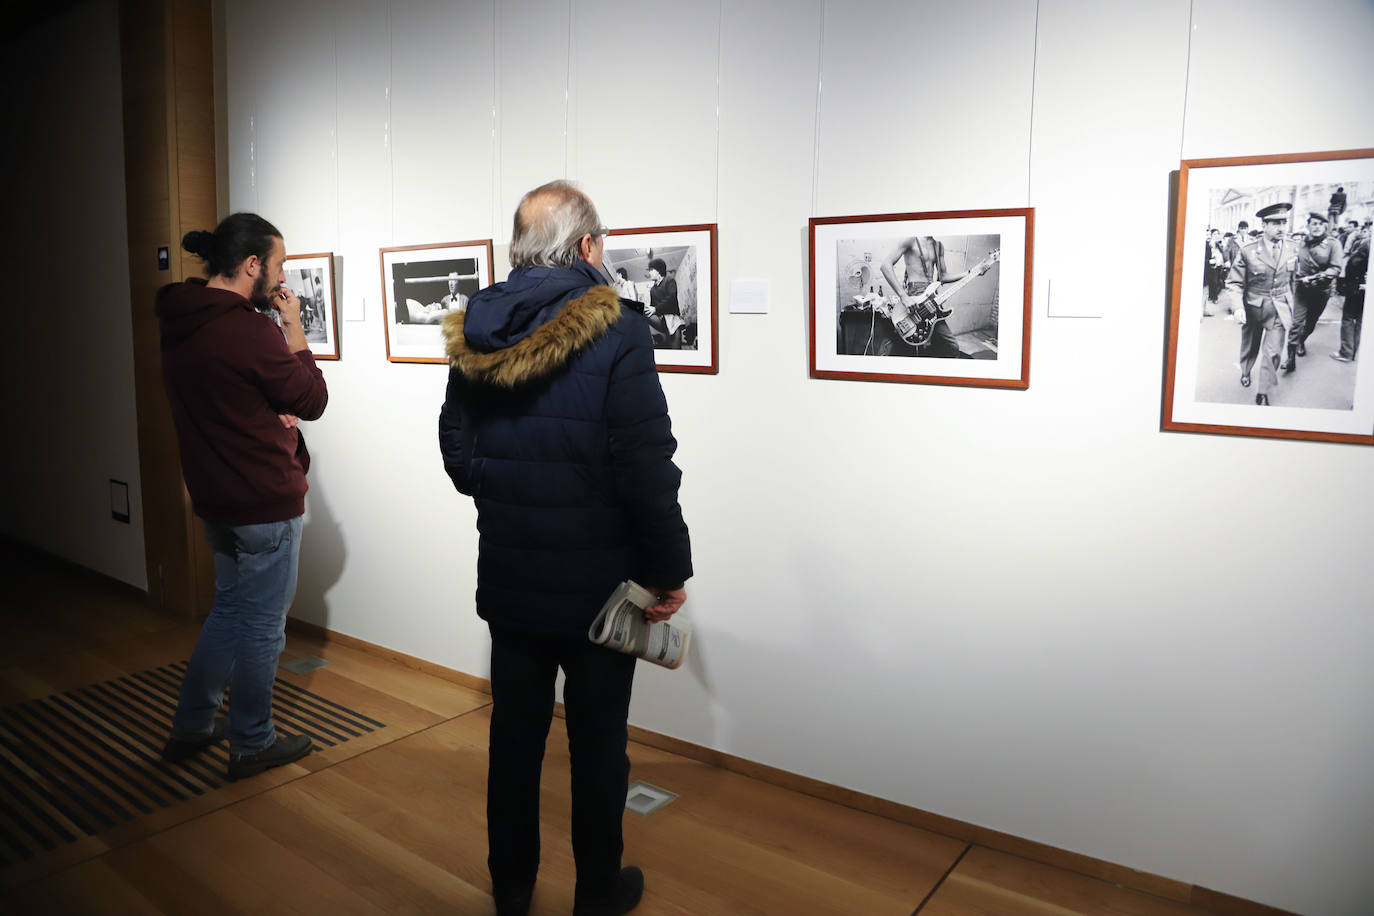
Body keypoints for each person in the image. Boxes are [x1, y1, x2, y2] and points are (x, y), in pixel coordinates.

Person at [439, 180, 692, 916]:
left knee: (514, 740)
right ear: (586, 247)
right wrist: (667, 571)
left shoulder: (478, 326)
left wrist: (508, 489)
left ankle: (511, 890)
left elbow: (459, 455)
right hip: (598, 588)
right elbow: (647, 464)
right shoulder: (618, 330)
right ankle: (597, 894)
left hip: (512, 578)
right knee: (597, 745)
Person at [156, 213, 328, 778]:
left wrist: (261, 414)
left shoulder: (180, 318)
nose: (282, 278)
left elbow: (227, 399)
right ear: (252, 265)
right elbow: (311, 397)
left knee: (228, 611)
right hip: (262, 501)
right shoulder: (247, 329)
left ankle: (192, 727)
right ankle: (252, 741)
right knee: (262, 627)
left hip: (215, 497)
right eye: (278, 266)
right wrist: (292, 327)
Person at [1227, 202, 1299, 405]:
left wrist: (1294, 303)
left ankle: (1263, 390)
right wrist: (1238, 307)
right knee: (1251, 346)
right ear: (1264, 224)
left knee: (1274, 351)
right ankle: (1246, 370)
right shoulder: (1249, 251)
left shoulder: (1293, 247)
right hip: (1254, 307)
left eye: (1284, 222)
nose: (1281, 228)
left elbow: (1294, 280)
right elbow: (1234, 282)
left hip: (1280, 307)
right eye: (1276, 223)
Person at [879, 235, 990, 358]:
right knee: (909, 347)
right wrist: (904, 297)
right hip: (915, 295)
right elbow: (885, 265)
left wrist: (972, 272)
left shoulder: (938, 246)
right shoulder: (911, 239)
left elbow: (943, 277)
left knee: (950, 346)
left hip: (932, 296)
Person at [1285, 211, 1344, 371]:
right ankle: (1290, 358)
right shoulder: (1301, 243)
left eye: (1320, 224)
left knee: (1310, 324)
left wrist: (1314, 278)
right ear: (1308, 226)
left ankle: (1301, 341)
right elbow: (1293, 263)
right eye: (1313, 224)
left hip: (1321, 291)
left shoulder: (1333, 244)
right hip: (1302, 290)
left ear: (1325, 226)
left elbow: (1336, 268)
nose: (1316, 227)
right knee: (1296, 323)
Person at [1332, 223, 1368, 362]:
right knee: (1360, 320)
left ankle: (1346, 352)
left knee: (1348, 318)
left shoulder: (1366, 244)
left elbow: (1353, 264)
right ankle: (1354, 352)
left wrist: (1349, 285)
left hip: (1358, 287)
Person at [643, 257, 683, 348]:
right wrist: (648, 308)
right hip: (661, 320)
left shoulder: (669, 280)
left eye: (651, 270)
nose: (649, 272)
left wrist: (655, 309)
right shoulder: (652, 290)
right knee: (640, 309)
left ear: (658, 270)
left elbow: (671, 298)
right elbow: (653, 307)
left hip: (673, 320)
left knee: (675, 351)